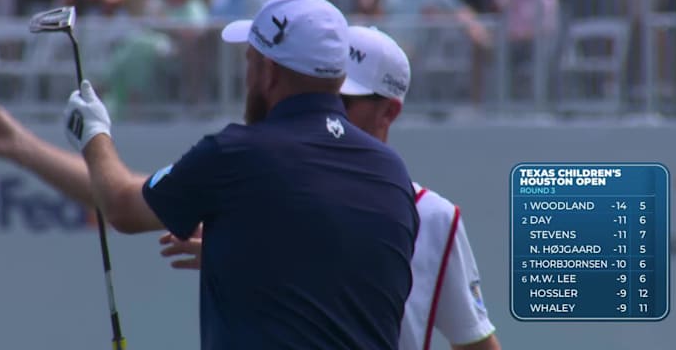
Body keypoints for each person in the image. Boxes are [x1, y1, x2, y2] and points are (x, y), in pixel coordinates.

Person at [0, 0, 419, 350]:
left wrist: (95, 132)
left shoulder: (238, 156)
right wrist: (20, 147)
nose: (247, 74)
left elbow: (121, 203)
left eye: (250, 62)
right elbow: (320, 262)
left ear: (269, 74)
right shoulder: (394, 174)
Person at [161, 25, 501, 350]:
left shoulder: (436, 217)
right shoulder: (264, 190)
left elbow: (476, 343)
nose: (325, 108)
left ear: (389, 112)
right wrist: (239, 255)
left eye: (344, 102)